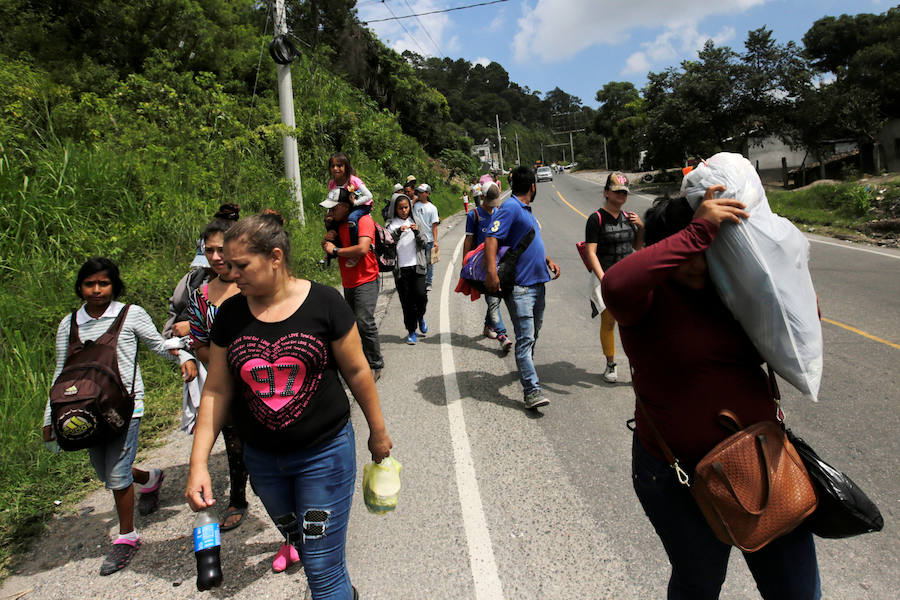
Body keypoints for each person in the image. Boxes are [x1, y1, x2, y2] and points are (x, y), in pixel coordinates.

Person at [601, 189, 821, 600]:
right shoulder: (646, 298)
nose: (698, 261)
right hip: (676, 475)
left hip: (760, 464)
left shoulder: (737, 291)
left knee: (796, 589)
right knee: (698, 583)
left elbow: (803, 325)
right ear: (669, 247)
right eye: (690, 248)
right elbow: (614, 283)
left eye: (709, 247)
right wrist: (698, 230)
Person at [185, 212, 392, 600]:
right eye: (227, 265)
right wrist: (198, 464)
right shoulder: (230, 315)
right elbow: (215, 391)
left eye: (241, 265)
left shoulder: (325, 304)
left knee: (320, 565)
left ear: (275, 257)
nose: (231, 274)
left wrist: (378, 432)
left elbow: (358, 372)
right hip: (263, 464)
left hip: (324, 458)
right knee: (296, 533)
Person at [43, 257, 197, 576]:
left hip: (126, 406)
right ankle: (151, 478)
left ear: (114, 285)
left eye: (104, 283)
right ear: (80, 287)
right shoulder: (69, 324)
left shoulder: (130, 314)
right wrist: (50, 418)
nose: (97, 290)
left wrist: (183, 355)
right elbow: (61, 371)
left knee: (115, 473)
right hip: (84, 411)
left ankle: (127, 536)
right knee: (105, 470)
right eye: (90, 284)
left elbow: (157, 344)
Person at [484, 166, 561, 410]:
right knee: (525, 339)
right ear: (533, 186)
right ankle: (531, 391)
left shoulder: (525, 210)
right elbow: (491, 237)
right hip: (520, 287)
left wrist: (548, 260)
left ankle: (526, 371)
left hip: (538, 283)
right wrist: (491, 272)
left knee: (533, 334)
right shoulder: (510, 207)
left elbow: (530, 241)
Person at [162, 203, 240, 433]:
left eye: (222, 250)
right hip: (218, 379)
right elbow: (175, 330)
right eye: (209, 252)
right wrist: (186, 352)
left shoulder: (253, 284)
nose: (215, 260)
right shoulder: (195, 287)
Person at [584, 172, 644, 383]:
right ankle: (611, 363)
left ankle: (638, 365)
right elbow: (591, 252)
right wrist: (604, 279)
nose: (621, 196)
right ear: (607, 193)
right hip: (607, 277)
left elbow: (636, 247)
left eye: (624, 193)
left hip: (629, 278)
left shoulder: (629, 218)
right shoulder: (596, 219)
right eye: (617, 192)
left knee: (633, 324)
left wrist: (641, 227)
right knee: (609, 322)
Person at [321, 188, 385, 381]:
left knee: (365, 321)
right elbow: (330, 247)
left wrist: (335, 250)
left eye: (333, 209)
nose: (329, 213)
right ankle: (360, 360)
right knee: (353, 325)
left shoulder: (363, 220)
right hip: (348, 280)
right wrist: (327, 241)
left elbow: (363, 248)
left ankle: (375, 363)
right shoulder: (338, 225)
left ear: (343, 206)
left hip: (366, 278)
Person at [463, 181, 512, 353]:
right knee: (493, 300)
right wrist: (465, 263)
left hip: (499, 263)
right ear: (482, 197)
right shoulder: (474, 215)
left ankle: (487, 326)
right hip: (482, 266)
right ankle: (502, 335)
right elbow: (468, 240)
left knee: (495, 299)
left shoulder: (499, 212)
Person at [385, 192, 429, 344]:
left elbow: (425, 242)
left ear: (410, 207)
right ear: (395, 209)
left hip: (417, 266)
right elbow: (387, 245)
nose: (404, 211)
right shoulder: (391, 226)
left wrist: (416, 231)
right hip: (401, 270)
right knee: (407, 302)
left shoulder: (415, 221)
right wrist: (398, 232)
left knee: (421, 296)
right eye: (400, 208)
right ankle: (411, 331)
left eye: (406, 207)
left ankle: (421, 316)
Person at [326, 153, 374, 262]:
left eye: (339, 166)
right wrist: (330, 213)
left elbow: (369, 195)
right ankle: (331, 251)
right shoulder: (332, 183)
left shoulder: (353, 181)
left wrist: (356, 203)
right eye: (333, 166)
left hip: (361, 205)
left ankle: (354, 247)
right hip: (344, 207)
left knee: (352, 219)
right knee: (329, 221)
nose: (335, 169)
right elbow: (331, 199)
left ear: (346, 167)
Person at [412, 183, 440, 292]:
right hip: (417, 238)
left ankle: (429, 281)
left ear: (428, 194)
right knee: (418, 261)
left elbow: (434, 226)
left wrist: (435, 241)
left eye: (422, 192)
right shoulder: (415, 205)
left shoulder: (432, 208)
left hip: (428, 239)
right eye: (418, 192)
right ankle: (420, 280)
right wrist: (414, 201)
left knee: (429, 262)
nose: (419, 194)